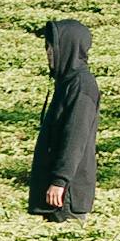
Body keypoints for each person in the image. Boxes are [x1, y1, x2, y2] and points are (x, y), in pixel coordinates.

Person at [29, 18, 97, 220]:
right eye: (47, 46)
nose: (49, 52)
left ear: (68, 47)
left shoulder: (81, 85)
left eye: (53, 46)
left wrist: (60, 181)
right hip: (59, 195)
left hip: (66, 196)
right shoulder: (66, 83)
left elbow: (75, 137)